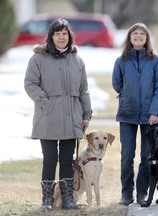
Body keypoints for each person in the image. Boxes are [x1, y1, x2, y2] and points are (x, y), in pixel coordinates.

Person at [24, 18, 92, 210]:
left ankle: (67, 199)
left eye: (64, 33)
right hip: (48, 117)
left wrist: (86, 115)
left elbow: (83, 89)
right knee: (50, 158)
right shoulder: (38, 58)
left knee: (66, 159)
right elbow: (30, 83)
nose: (61, 37)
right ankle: (46, 200)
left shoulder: (77, 59)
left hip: (72, 117)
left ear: (69, 36)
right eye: (57, 33)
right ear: (51, 36)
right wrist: (45, 102)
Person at [112, 22, 158, 206]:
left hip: (149, 116)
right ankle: (126, 193)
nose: (138, 36)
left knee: (147, 156)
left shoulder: (156, 60)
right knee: (127, 155)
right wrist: (128, 96)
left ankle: (142, 192)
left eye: (142, 34)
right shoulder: (121, 60)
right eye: (134, 34)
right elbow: (117, 83)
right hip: (127, 114)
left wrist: (154, 112)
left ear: (147, 39)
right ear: (129, 37)